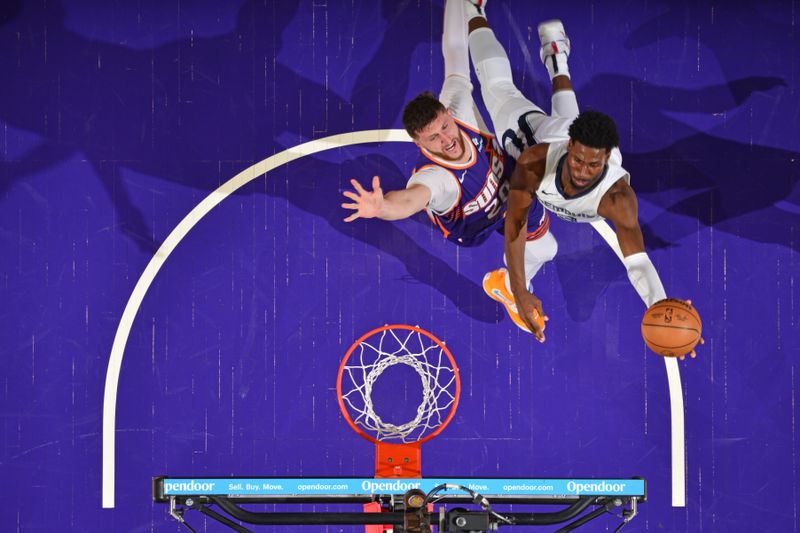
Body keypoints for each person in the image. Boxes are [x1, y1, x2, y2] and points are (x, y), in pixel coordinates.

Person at [464, 0, 700, 356]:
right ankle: (474, 9)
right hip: (539, 133)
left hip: (570, 136)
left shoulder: (617, 198)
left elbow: (637, 262)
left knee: (568, 112)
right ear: (570, 147)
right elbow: (515, 228)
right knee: (496, 88)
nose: (583, 170)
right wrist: (520, 290)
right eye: (578, 160)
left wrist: (662, 306)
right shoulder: (533, 162)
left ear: (607, 160)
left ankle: (557, 57)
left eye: (594, 165)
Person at [342, 0, 556, 333]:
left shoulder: (457, 106)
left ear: (447, 114)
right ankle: (512, 282)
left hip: (509, 196)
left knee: (548, 248)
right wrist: (383, 206)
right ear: (420, 145)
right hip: (472, 226)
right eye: (434, 139)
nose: (447, 140)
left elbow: (454, 49)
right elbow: (411, 200)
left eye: (445, 127)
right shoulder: (436, 178)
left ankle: (506, 282)